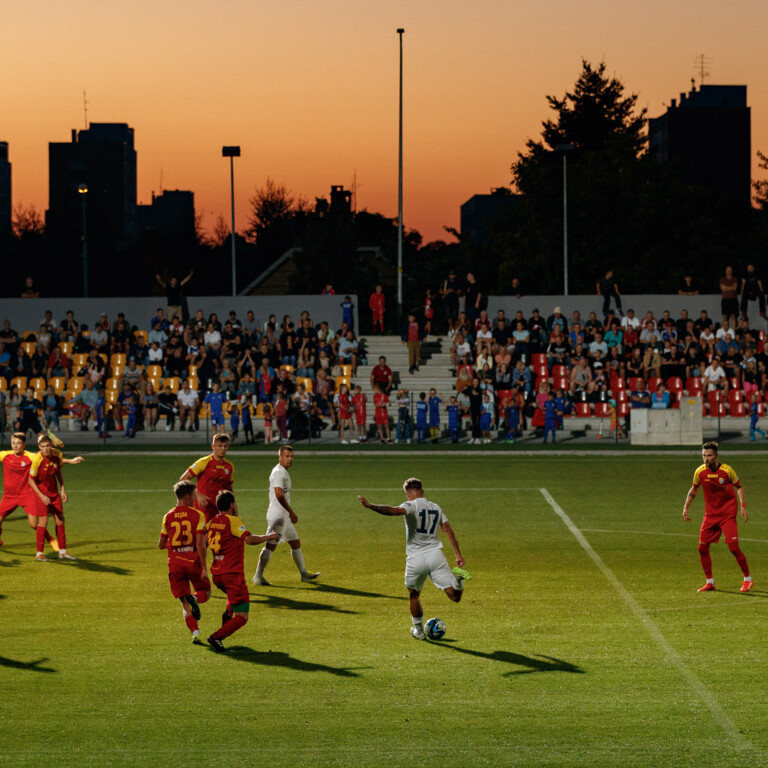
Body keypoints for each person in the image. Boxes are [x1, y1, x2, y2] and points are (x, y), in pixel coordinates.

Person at [357, 477, 471, 640]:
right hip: (436, 555)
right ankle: (458, 582)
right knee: (455, 596)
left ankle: (418, 631)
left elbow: (393, 510)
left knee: (414, 594)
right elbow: (449, 531)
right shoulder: (436, 507)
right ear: (422, 492)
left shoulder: (411, 505)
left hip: (416, 557)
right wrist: (458, 555)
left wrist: (370, 506)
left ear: (408, 494)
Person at [206, 490, 280, 652]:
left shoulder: (212, 522)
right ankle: (216, 637)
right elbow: (249, 540)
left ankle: (227, 614)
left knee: (232, 601)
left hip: (217, 575)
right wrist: (269, 537)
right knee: (242, 617)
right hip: (232, 575)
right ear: (232, 505)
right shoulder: (232, 521)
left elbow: (204, 542)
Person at [682, 442, 753, 593]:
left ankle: (748, 579)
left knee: (733, 548)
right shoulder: (699, 472)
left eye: (709, 455)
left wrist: (743, 506)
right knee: (702, 548)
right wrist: (686, 506)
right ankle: (710, 583)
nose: (706, 459)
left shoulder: (727, 471)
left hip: (727, 514)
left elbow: (739, 486)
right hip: (711, 515)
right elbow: (694, 488)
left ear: (716, 456)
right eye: (704, 455)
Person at [251, 445, 320, 586]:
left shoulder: (283, 472)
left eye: (291, 456)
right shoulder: (278, 473)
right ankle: (258, 576)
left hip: (284, 517)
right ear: (280, 457)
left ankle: (304, 574)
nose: (290, 459)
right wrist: (291, 512)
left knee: (295, 543)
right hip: (279, 516)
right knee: (270, 545)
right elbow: (278, 494)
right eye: (287, 456)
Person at [158, 479, 210, 645]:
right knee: (206, 592)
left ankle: (195, 632)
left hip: (175, 564)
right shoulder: (198, 515)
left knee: (184, 603)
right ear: (187, 497)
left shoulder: (168, 516)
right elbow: (201, 544)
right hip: (192, 561)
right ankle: (195, 597)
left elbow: (160, 545)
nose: (195, 499)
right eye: (194, 496)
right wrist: (204, 567)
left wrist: (173, 544)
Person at [27, 433, 84, 561]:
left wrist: (63, 489)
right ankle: (39, 554)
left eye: (48, 446)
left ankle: (62, 552)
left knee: (60, 520)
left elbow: (58, 472)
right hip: (41, 494)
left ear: (51, 445)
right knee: (43, 522)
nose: (46, 449)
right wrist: (41, 496)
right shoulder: (37, 460)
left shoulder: (57, 454)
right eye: (43, 446)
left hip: (54, 494)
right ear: (39, 447)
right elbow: (30, 481)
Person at [179, 434, 234, 523]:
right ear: (213, 446)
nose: (223, 449)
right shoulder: (204, 462)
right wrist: (197, 494)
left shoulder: (229, 466)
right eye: (220, 446)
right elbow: (183, 479)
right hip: (203, 510)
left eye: (225, 446)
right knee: (201, 536)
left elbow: (229, 488)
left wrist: (233, 504)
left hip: (221, 511)